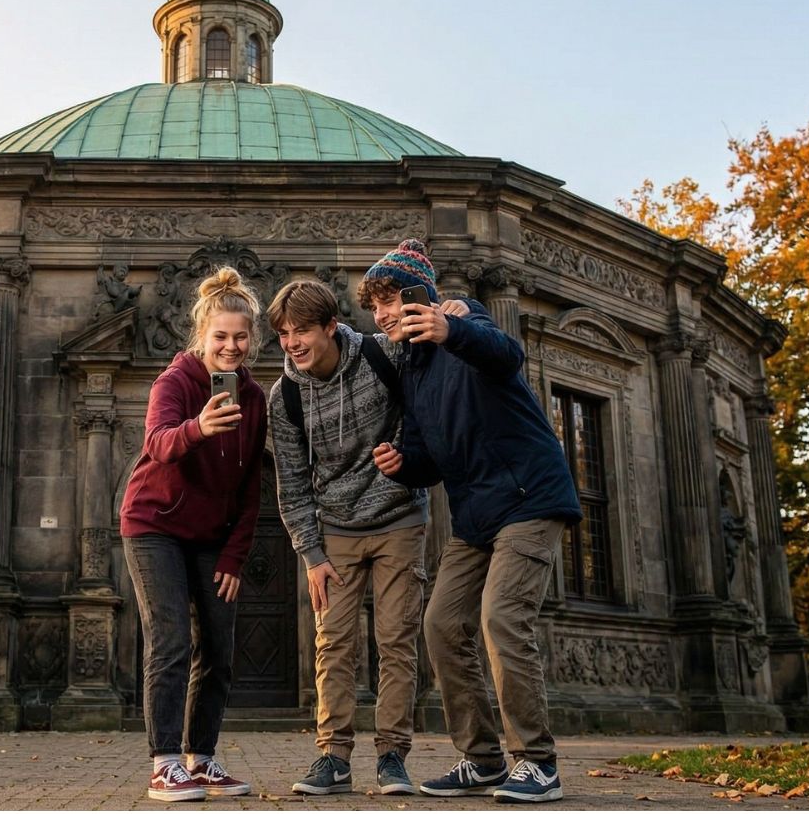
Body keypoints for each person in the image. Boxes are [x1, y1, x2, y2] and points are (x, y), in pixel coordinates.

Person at [363, 239, 583, 804]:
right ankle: (482, 758)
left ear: (420, 296)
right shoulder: (412, 369)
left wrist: (451, 329)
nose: (381, 314)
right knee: (441, 624)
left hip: (529, 499)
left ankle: (537, 762)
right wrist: (403, 463)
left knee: (502, 618)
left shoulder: (466, 320)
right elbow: (427, 457)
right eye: (375, 306)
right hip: (475, 517)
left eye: (389, 300)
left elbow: (506, 355)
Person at [265, 279, 464, 797]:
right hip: (335, 529)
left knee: (395, 639)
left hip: (399, 517)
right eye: (284, 334)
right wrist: (311, 555)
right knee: (333, 642)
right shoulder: (284, 396)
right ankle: (333, 757)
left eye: (302, 331)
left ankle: (392, 755)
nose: (292, 343)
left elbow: (434, 378)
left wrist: (461, 314)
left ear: (331, 327)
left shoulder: (381, 355)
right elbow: (292, 484)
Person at [119, 266, 269, 803]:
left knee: (219, 649)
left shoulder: (254, 399)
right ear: (202, 336)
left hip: (212, 537)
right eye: (221, 336)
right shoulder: (175, 382)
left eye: (240, 337)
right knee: (171, 641)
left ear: (252, 339)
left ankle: (200, 759)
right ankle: (164, 764)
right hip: (154, 525)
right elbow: (158, 443)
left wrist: (234, 556)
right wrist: (199, 427)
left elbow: (250, 486)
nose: (231, 347)